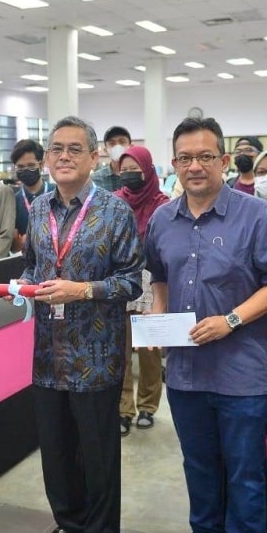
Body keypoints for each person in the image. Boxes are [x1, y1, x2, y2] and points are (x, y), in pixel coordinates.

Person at [144, 117, 267, 533]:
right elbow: (159, 275)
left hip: (239, 369)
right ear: (173, 165)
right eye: (185, 158)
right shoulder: (162, 219)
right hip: (185, 371)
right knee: (198, 463)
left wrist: (231, 319)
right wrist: (158, 317)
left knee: (244, 469)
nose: (195, 166)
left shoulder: (256, 215)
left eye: (205, 156)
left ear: (224, 162)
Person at [21, 116, 143, 533]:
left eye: (75, 149)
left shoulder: (116, 212)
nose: (64, 157)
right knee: (54, 446)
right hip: (47, 353)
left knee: (96, 449)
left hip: (95, 355)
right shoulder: (37, 209)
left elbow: (132, 282)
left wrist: (82, 290)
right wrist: (25, 285)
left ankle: (100, 532)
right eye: (56, 149)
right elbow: (35, 265)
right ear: (47, 158)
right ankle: (68, 522)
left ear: (95, 158)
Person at [115, 145, 168, 436]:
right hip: (120, 279)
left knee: (149, 349)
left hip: (152, 279)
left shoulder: (164, 204)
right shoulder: (114, 202)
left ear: (147, 171)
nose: (129, 175)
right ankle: (123, 408)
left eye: (135, 170)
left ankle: (148, 405)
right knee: (120, 348)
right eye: (124, 170)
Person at [10, 139, 54, 252]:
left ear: (41, 164)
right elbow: (13, 246)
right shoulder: (14, 200)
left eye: (31, 165)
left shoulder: (58, 192)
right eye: (20, 167)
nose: (26, 170)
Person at [90, 125, 130, 192]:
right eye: (112, 143)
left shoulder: (138, 177)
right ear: (106, 150)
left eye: (122, 142)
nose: (117, 146)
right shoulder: (95, 180)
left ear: (130, 147)